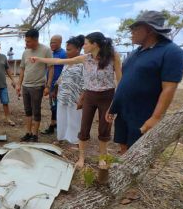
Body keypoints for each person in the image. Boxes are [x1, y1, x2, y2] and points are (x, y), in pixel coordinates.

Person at [31, 32, 122, 168]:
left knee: (104, 129)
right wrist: (39, 59)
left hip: (107, 96)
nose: (83, 46)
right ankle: (81, 158)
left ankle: (102, 158)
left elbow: (120, 81)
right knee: (84, 127)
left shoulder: (113, 56)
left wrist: (115, 103)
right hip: (90, 96)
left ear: (94, 44)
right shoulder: (85, 58)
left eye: (85, 43)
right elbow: (60, 61)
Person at [107, 11, 183, 152]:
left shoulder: (172, 52)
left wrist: (156, 117)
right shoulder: (135, 53)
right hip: (124, 112)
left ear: (149, 30)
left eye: (135, 29)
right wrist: (114, 107)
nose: (131, 32)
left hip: (143, 115)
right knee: (123, 146)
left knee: (137, 151)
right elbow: (125, 82)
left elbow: (169, 88)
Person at [17, 28, 53, 142]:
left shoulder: (46, 50)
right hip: (25, 86)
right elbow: (22, 68)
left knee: (36, 111)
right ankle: (28, 132)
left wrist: (48, 86)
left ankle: (35, 134)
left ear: (36, 39)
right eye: (26, 41)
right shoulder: (25, 52)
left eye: (28, 41)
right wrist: (19, 84)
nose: (26, 43)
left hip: (38, 86)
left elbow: (50, 68)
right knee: (27, 111)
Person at [54, 35, 85, 144]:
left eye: (69, 49)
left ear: (78, 49)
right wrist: (56, 91)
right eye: (66, 49)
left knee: (74, 119)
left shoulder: (83, 63)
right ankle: (61, 137)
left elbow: (85, 82)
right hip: (63, 96)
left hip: (75, 97)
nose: (66, 52)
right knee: (62, 118)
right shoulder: (67, 62)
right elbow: (61, 78)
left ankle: (75, 140)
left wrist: (82, 97)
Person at [41, 35, 67, 135]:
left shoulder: (64, 54)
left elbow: (65, 71)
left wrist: (57, 86)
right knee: (53, 106)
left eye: (54, 42)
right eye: (51, 42)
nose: (52, 44)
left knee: (58, 106)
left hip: (60, 86)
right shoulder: (50, 54)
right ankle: (55, 124)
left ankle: (55, 126)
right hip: (50, 85)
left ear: (60, 42)